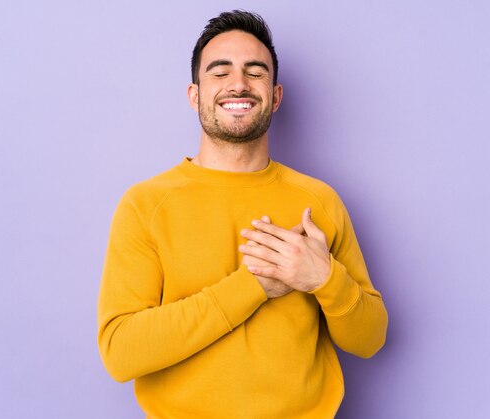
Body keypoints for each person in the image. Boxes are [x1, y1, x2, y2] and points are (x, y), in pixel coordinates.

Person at [97, 10, 388, 418]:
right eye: (220, 72)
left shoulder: (319, 202)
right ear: (195, 94)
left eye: (255, 72)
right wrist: (252, 286)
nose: (239, 84)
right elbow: (120, 353)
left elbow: (370, 339)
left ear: (276, 94)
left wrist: (324, 279)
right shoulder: (145, 204)